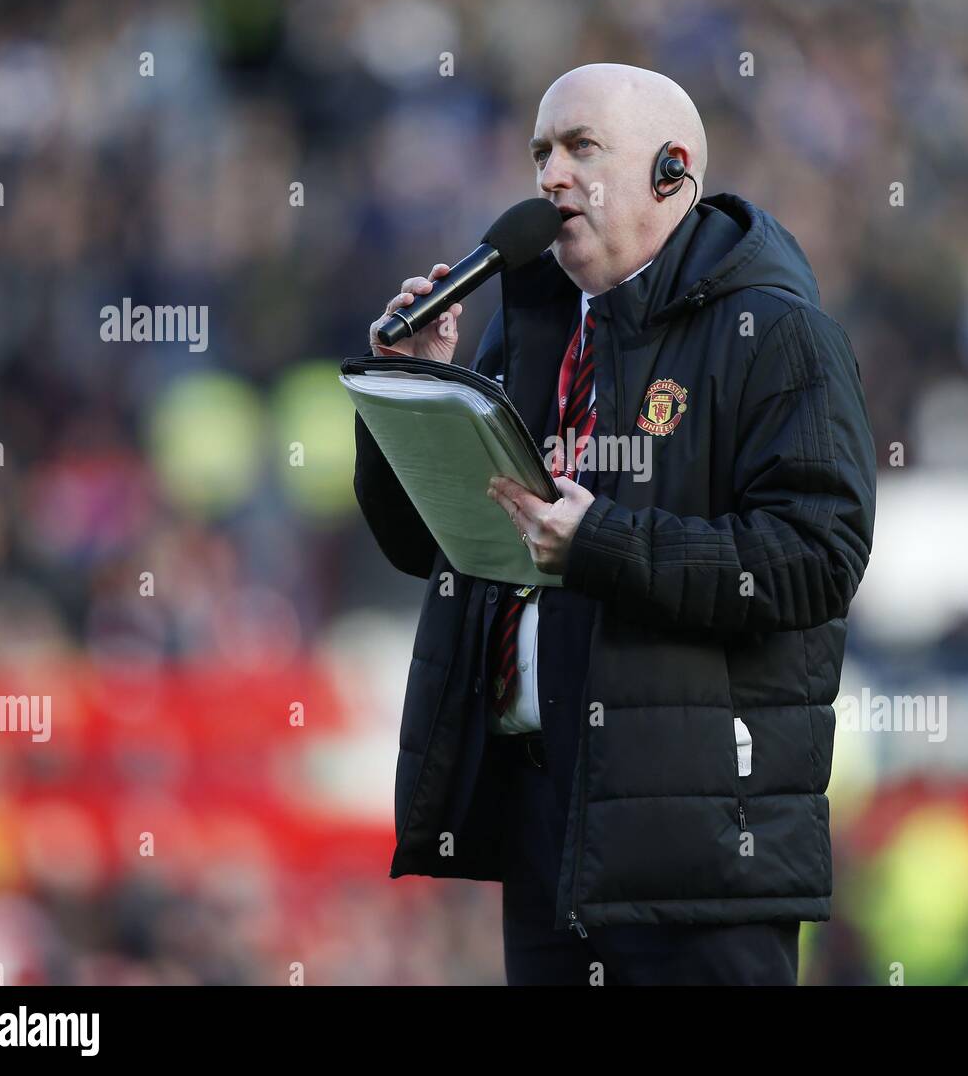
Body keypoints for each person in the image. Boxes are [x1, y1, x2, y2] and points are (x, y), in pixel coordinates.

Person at [354, 63, 876, 985]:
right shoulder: (528, 334)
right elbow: (428, 546)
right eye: (540, 152)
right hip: (547, 819)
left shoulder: (775, 332)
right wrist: (414, 386)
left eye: (579, 148)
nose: (550, 174)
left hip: (705, 842)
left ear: (670, 174)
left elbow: (817, 558)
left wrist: (604, 545)